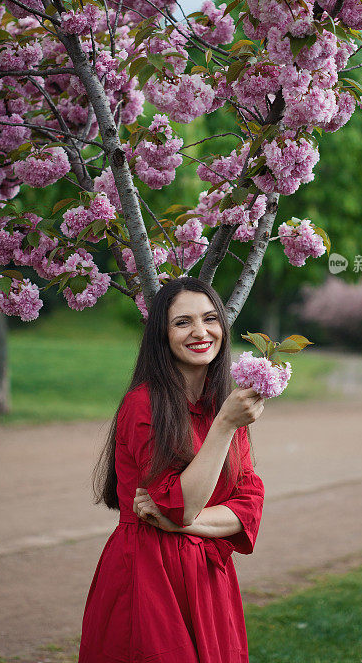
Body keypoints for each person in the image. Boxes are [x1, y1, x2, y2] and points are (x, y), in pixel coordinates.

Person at [78, 276, 266, 662]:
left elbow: (247, 505)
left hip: (207, 573)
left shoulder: (222, 404)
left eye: (210, 318)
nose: (201, 332)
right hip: (149, 573)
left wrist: (182, 523)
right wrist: (226, 426)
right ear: (161, 335)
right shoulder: (144, 405)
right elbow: (183, 505)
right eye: (183, 322)